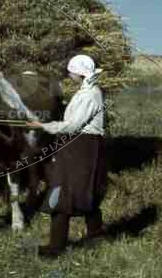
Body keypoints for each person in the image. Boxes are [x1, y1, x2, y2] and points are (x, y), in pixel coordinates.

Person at [24, 54, 107, 258]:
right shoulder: (86, 92)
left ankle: (56, 246)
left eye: (71, 71)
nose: (69, 75)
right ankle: (95, 236)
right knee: (84, 189)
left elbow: (72, 125)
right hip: (80, 145)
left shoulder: (89, 95)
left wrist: (42, 125)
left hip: (80, 146)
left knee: (61, 192)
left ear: (79, 73)